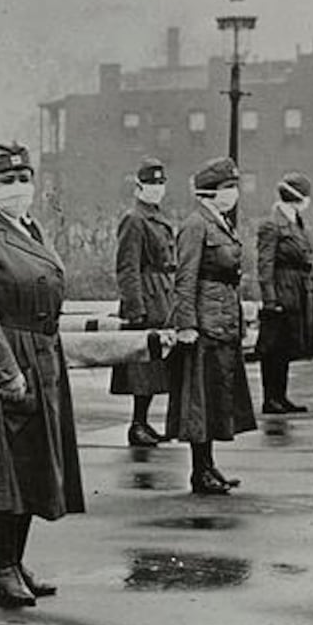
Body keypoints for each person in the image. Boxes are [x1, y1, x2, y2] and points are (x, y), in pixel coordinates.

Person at [0, 141, 84, 608]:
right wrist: (8, 372)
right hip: (4, 359)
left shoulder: (30, 229)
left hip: (41, 354)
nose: (18, 187)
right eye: (7, 180)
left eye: (24, 178)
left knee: (31, 466)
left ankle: (17, 560)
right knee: (4, 472)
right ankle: (2, 566)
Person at [165, 157, 257, 495]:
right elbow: (185, 277)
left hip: (222, 320)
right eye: (228, 187)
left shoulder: (219, 222)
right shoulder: (196, 225)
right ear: (209, 192)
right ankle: (199, 470)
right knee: (200, 401)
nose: (233, 193)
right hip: (204, 323)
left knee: (215, 397)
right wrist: (186, 324)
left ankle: (208, 466)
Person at [111, 157, 177, 447]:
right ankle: (137, 424)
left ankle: (143, 422)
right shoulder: (134, 219)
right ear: (139, 186)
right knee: (142, 368)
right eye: (151, 183)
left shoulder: (156, 217)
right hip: (147, 298)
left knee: (154, 367)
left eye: (161, 183)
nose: (157, 188)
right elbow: (128, 267)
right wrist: (135, 307)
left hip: (162, 296)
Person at [256, 172, 313, 413]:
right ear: (298, 198)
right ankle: (270, 398)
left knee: (286, 345)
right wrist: (270, 299)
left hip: (297, 289)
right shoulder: (272, 225)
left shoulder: (295, 221)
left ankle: (280, 396)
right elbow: (265, 265)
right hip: (282, 288)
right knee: (274, 346)